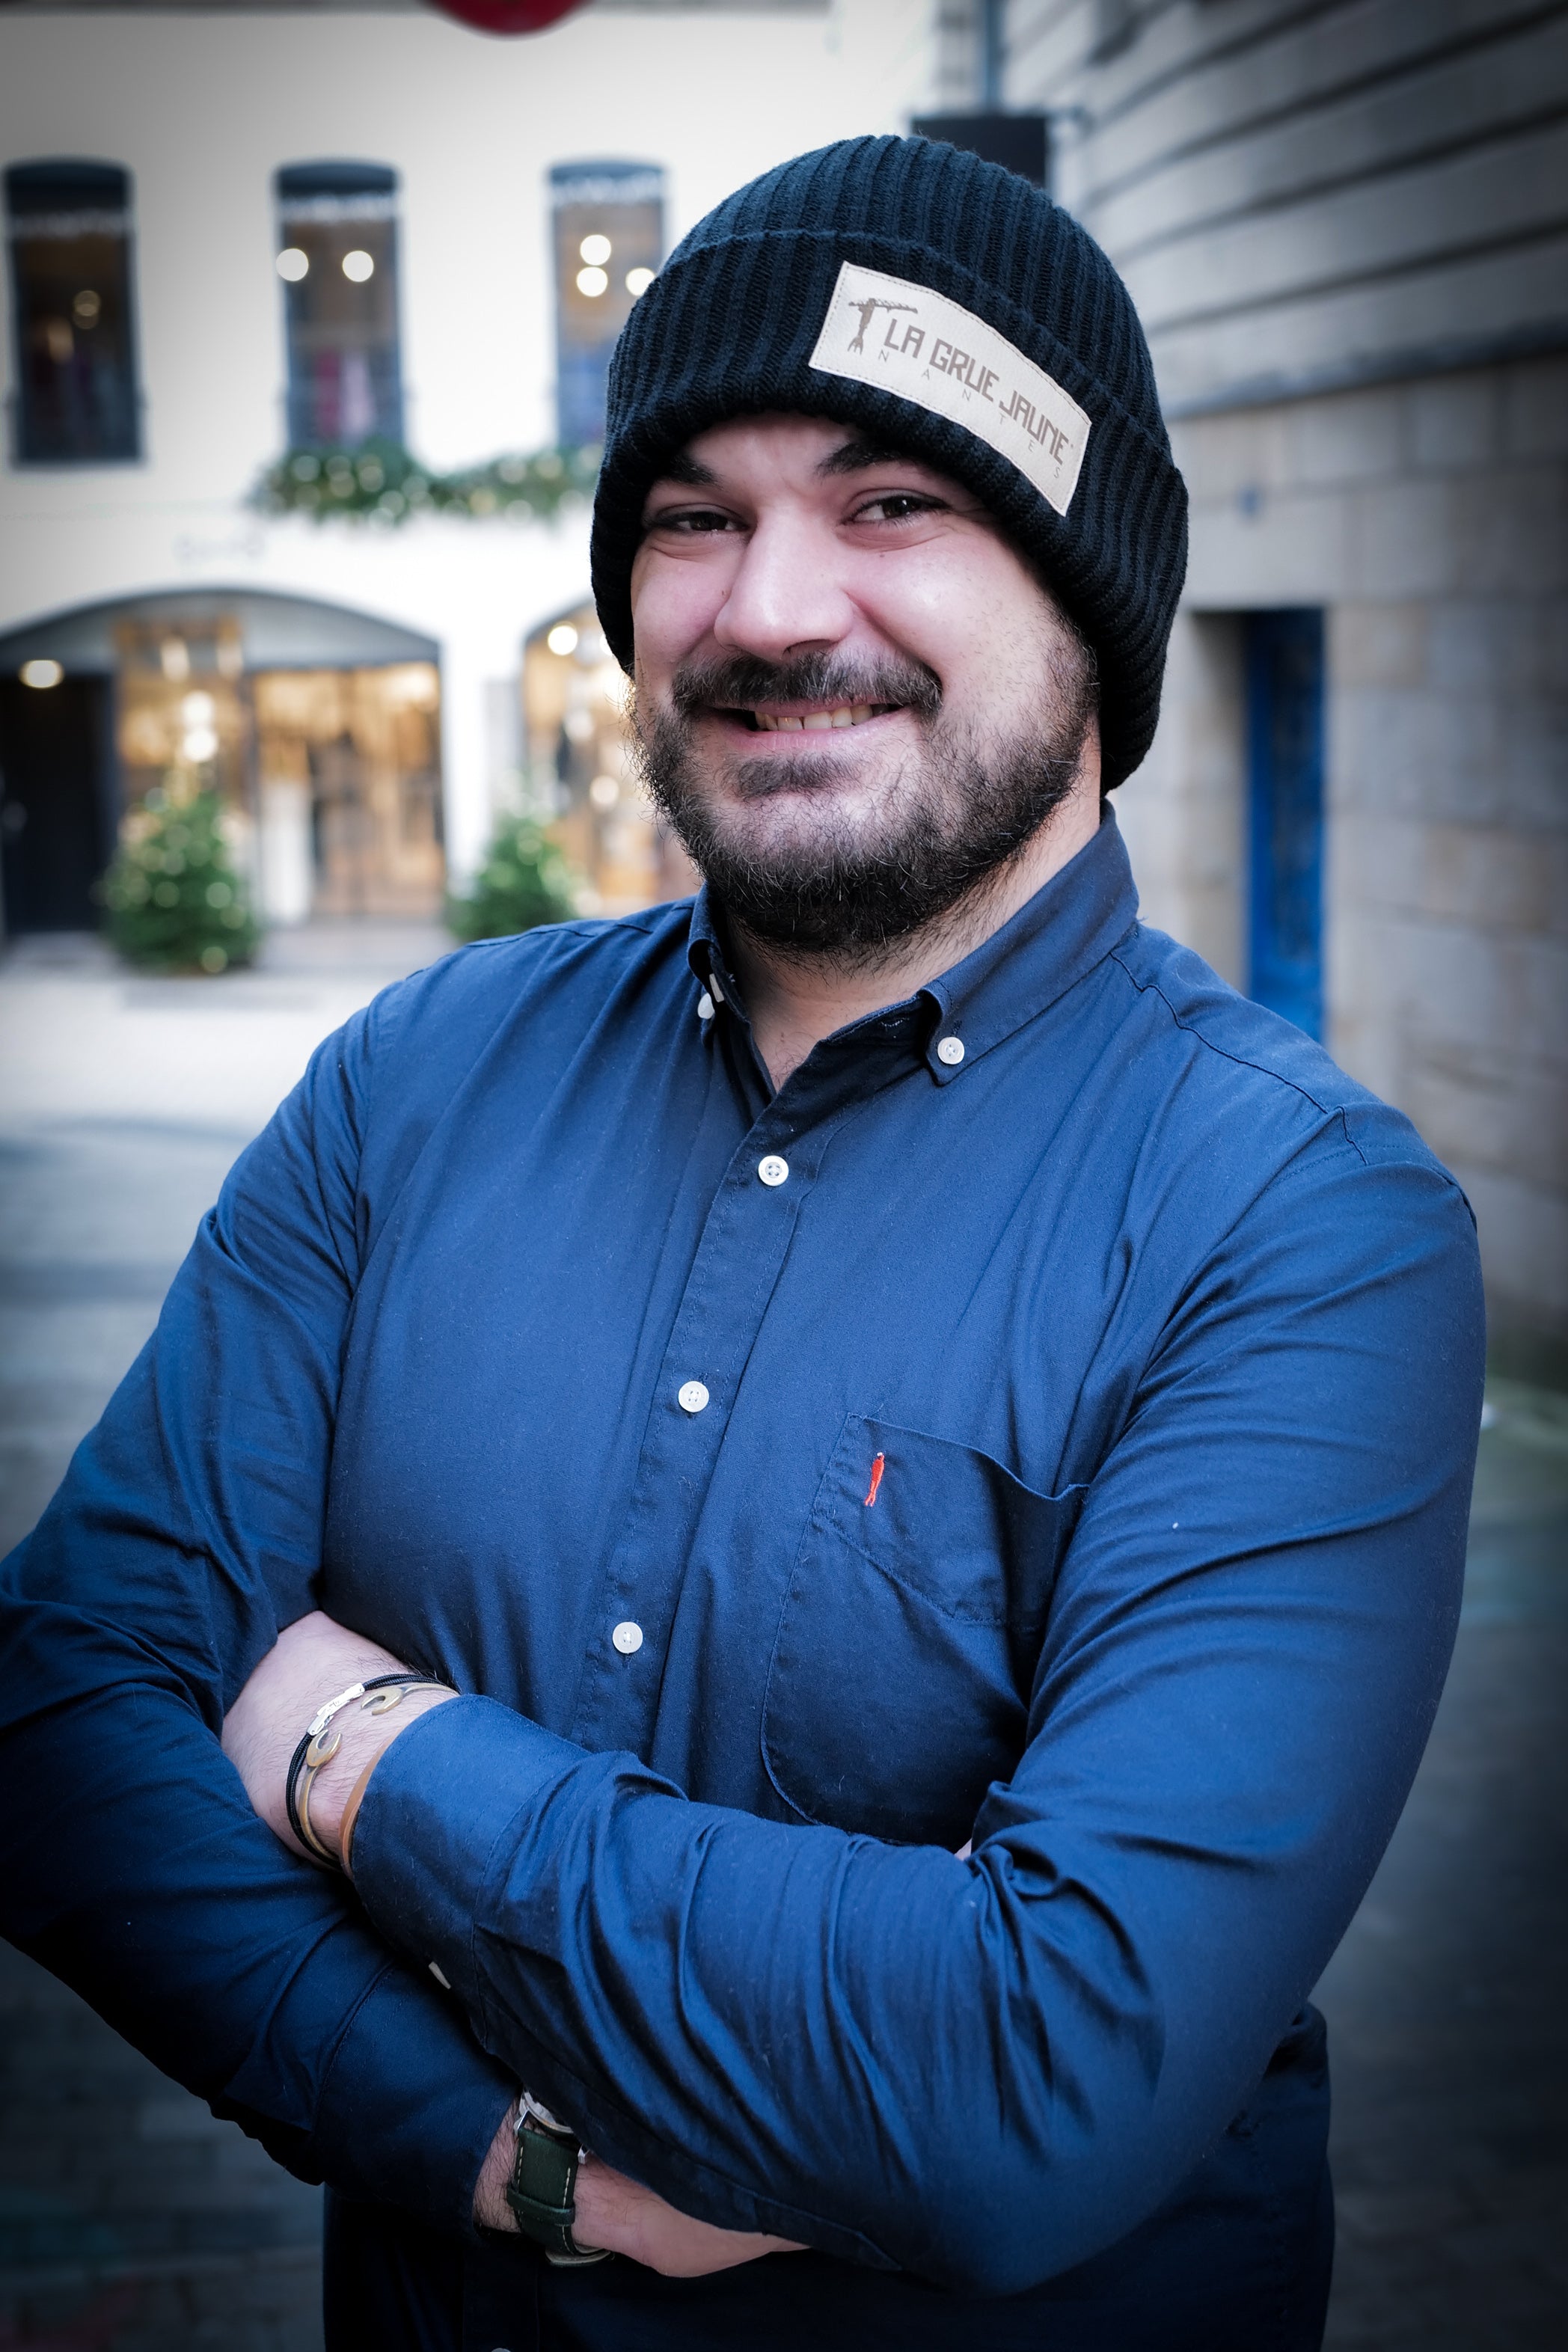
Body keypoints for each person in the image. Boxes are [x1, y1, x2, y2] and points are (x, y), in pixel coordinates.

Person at [0, 136, 1483, 2351]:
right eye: (694, 514)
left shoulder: (1305, 1231)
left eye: (896, 503)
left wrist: (361, 1747)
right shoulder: (422, 1077)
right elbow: (57, 1701)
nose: (775, 607)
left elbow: (1034, 2075)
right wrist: (485, 2150)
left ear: (1092, 595)